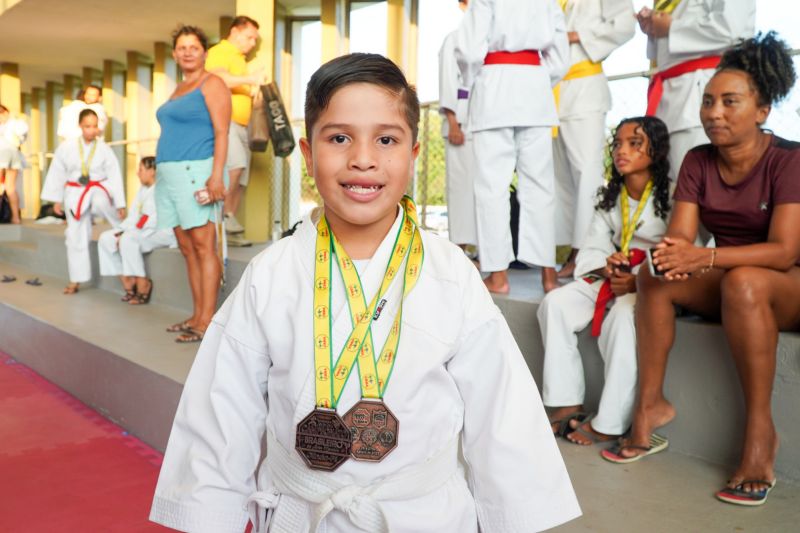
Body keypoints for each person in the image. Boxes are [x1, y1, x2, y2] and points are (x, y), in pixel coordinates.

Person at [150, 53, 581, 533]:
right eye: (339, 138)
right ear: (309, 155)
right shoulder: (270, 275)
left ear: (414, 154)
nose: (363, 158)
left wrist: (515, 517)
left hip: (424, 516)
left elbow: (502, 417)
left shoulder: (450, 274)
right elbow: (221, 417)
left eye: (386, 139)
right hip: (302, 513)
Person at [603, 33, 800, 508]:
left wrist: (705, 257)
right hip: (731, 284)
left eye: (730, 102)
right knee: (655, 271)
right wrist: (669, 256)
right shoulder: (697, 160)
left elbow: (783, 251)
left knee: (747, 281)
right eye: (709, 101)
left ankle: (760, 435)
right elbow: (681, 241)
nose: (713, 113)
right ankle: (650, 408)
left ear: (763, 109)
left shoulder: (790, 160)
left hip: (783, 284)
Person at [541, 116, 671, 446]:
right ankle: (567, 400)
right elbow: (594, 246)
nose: (621, 151)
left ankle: (611, 421)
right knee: (555, 304)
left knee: (623, 318)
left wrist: (639, 277)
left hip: (652, 282)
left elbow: (682, 246)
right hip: (611, 276)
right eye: (617, 144)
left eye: (634, 143)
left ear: (655, 151)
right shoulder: (610, 195)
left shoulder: (673, 195)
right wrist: (607, 267)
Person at [455, 0, 569, 294]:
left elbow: (468, 51)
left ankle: (498, 275)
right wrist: (539, 79)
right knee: (540, 185)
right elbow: (560, 59)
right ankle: (548, 275)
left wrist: (474, 83)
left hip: (494, 88)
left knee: (492, 187)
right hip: (535, 89)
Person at [155, 25, 230, 343]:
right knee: (187, 249)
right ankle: (197, 314)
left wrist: (216, 175)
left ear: (204, 52)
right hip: (168, 175)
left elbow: (222, 132)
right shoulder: (177, 90)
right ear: (174, 53)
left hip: (195, 171)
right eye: (181, 47)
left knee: (203, 246)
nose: (187, 51)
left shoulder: (211, 83)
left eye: (193, 46)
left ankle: (207, 320)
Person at [553, 0, 635, 278]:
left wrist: (578, 35)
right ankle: (563, 249)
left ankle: (583, 252)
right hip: (553, 91)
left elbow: (625, 25)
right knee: (559, 177)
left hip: (585, 89)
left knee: (586, 172)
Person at [637, 0, 754, 178]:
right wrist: (655, 27)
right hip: (669, 93)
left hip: (701, 93)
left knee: (699, 181)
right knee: (671, 187)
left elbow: (730, 28)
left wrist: (671, 28)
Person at [40, 109, 126, 294]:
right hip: (75, 192)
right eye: (88, 126)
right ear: (80, 126)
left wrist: (120, 203)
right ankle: (76, 280)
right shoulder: (67, 147)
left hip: (97, 189)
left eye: (95, 126)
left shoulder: (104, 149)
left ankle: (123, 228)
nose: (92, 130)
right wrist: (56, 200)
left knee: (101, 200)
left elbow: (115, 176)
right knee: (75, 234)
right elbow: (57, 172)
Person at [206, 15, 265, 247]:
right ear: (235, 32)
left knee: (241, 180)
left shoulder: (240, 59)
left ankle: (228, 226)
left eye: (255, 39)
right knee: (235, 168)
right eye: (250, 37)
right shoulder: (221, 51)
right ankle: (219, 220)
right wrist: (251, 78)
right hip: (225, 123)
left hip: (243, 127)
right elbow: (218, 77)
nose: (252, 43)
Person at [98, 156, 176, 304]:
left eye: (141, 170)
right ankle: (127, 281)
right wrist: (121, 230)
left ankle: (142, 282)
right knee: (106, 238)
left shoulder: (162, 189)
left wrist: (126, 233)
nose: (137, 173)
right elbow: (134, 216)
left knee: (128, 239)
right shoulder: (142, 190)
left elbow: (151, 219)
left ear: (152, 171)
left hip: (161, 232)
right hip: (142, 230)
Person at [438, 0, 477, 251]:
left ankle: (484, 252)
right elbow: (447, 82)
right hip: (461, 121)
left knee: (483, 191)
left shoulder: (492, 40)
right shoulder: (454, 39)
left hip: (487, 121)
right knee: (461, 189)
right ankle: (460, 249)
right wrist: (453, 123)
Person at [0, 104, 29, 224]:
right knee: (11, 188)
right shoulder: (17, 123)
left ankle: (15, 217)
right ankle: (15, 217)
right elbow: (22, 137)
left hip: (4, 154)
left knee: (8, 187)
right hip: (14, 154)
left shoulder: (14, 123)